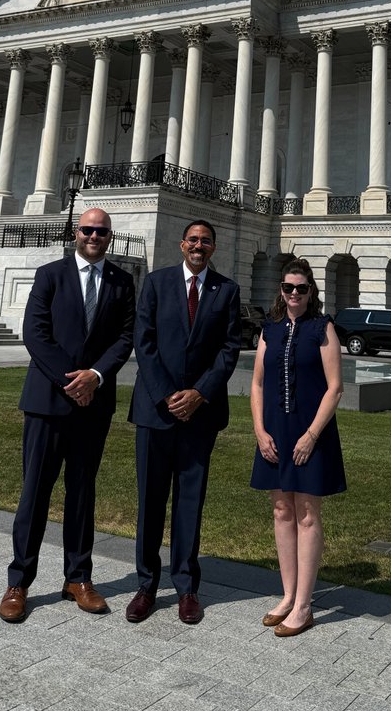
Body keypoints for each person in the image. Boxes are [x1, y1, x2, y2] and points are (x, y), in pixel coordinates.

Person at [0, 207, 135, 623]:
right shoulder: (50, 275)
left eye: (102, 231)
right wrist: (69, 380)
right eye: (88, 229)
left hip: (93, 404)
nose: (95, 236)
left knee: (82, 492)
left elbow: (125, 336)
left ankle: (78, 577)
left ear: (110, 237)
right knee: (35, 492)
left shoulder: (121, 282)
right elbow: (35, 334)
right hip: (48, 402)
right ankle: (19, 581)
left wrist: (94, 376)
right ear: (76, 233)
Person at [126, 219, 241, 625]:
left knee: (190, 502)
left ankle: (187, 587)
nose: (198, 246)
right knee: (150, 501)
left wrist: (199, 393)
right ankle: (145, 584)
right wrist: (166, 395)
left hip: (200, 413)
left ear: (213, 247)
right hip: (156, 411)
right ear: (182, 244)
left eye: (205, 241)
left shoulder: (226, 290)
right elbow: (145, 340)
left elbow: (229, 349)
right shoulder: (157, 283)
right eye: (192, 240)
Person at [250, 258, 345, 636]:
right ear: (281, 290)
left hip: (310, 432)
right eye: (288, 288)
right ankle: (288, 595)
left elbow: (334, 387)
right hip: (274, 430)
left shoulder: (322, 328)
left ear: (311, 292)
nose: (293, 294)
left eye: (301, 289)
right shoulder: (269, 330)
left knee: (307, 513)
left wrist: (311, 435)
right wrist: (259, 430)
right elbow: (256, 384)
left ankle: (305, 605)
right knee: (280, 510)